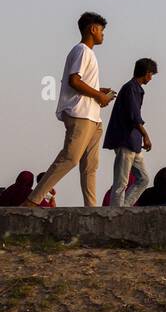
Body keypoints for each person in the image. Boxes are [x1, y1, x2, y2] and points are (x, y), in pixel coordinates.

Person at [26, 12, 116, 207]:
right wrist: (99, 96)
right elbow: (74, 81)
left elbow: (80, 82)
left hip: (93, 117)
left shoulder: (88, 53)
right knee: (70, 158)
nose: (103, 34)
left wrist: (99, 92)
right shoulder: (82, 50)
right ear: (93, 29)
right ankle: (33, 200)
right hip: (81, 115)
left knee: (90, 167)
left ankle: (91, 209)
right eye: (101, 30)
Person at [103, 57, 157, 207]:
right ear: (146, 73)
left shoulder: (135, 89)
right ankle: (116, 213)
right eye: (151, 74)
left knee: (143, 178)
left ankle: (124, 209)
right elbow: (134, 116)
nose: (151, 78)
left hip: (133, 142)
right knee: (121, 181)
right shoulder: (131, 88)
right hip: (125, 140)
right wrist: (146, 135)